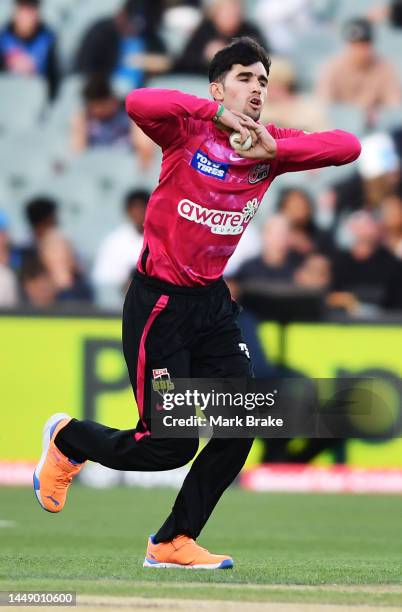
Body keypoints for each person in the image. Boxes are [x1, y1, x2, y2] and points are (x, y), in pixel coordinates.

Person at [33, 37, 361, 569]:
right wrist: (216, 116)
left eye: (262, 81)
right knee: (169, 445)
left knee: (245, 421)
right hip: (159, 304)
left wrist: (275, 152)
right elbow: (138, 102)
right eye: (244, 79)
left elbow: (348, 145)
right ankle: (70, 439)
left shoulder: (268, 147)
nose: (257, 89)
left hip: (211, 306)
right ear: (217, 88)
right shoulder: (188, 131)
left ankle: (171, 540)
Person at [74, 0, 170, 97]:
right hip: (102, 95)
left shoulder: (153, 41)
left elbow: (165, 67)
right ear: (121, 15)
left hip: (138, 100)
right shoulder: (101, 33)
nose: (132, 29)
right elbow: (85, 66)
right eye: (130, 22)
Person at [316, 17, 401, 123]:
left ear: (371, 45)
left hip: (373, 128)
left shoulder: (384, 67)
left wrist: (380, 114)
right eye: (355, 45)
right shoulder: (332, 67)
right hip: (339, 125)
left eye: (364, 44)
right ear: (347, 44)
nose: (360, 50)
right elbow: (323, 106)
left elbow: (394, 106)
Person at [71, 75, 155, 169]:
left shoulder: (132, 114)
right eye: (93, 107)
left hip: (125, 166)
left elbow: (144, 148)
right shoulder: (84, 117)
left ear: (112, 99)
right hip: (95, 167)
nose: (98, 110)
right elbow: (77, 152)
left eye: (101, 105)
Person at [174, 0, 267, 75]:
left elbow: (266, 60)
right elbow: (183, 63)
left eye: (234, 11)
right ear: (215, 13)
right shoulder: (205, 30)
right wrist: (205, 57)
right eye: (225, 11)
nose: (231, 15)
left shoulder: (250, 31)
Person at [92, 189, 149, 307]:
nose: (139, 213)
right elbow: (102, 279)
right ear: (127, 211)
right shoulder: (114, 242)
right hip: (118, 306)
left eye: (143, 208)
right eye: (135, 208)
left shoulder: (162, 240)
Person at [0, 0, 59, 99]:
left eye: (31, 11)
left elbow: (54, 77)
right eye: (23, 10)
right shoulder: (4, 38)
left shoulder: (48, 38)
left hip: (37, 99)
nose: (26, 16)